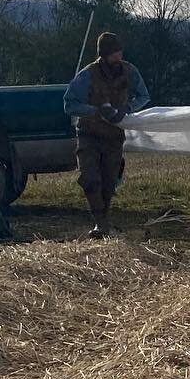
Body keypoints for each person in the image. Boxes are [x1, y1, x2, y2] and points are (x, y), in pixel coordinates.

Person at [63, 31, 150, 238]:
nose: (118, 57)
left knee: (109, 180)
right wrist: (96, 111)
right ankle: (99, 222)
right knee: (90, 178)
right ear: (104, 55)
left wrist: (127, 108)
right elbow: (69, 104)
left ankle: (105, 219)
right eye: (114, 54)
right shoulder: (87, 75)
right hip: (89, 134)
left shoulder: (130, 71)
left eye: (120, 53)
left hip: (114, 135)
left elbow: (144, 95)